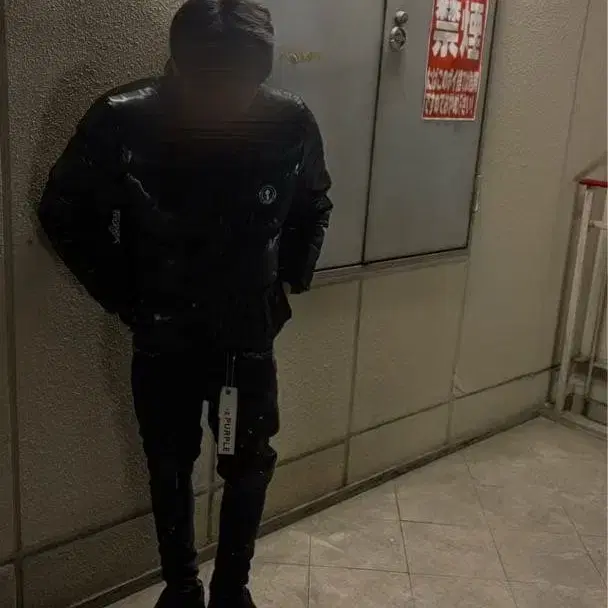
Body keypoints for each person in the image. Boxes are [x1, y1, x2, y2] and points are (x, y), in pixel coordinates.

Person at [38, 1, 332, 606]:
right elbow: (64, 212)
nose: (225, 102)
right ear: (178, 67)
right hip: (163, 327)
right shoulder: (124, 118)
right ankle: (180, 588)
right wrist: (127, 298)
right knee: (169, 462)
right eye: (209, 86)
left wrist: (286, 284)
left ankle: (232, 589)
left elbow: (313, 205)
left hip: (247, 329)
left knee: (248, 461)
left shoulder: (288, 121)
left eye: (241, 86)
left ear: (261, 74)